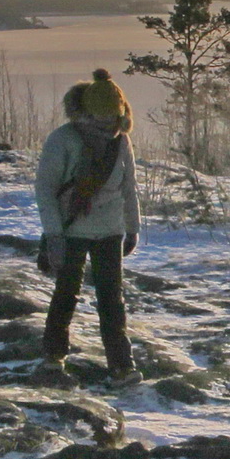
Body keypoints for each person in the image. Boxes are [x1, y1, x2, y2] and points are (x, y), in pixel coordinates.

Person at [35, 69, 141, 377]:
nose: (109, 126)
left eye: (113, 119)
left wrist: (132, 228)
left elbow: (128, 186)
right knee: (66, 294)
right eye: (102, 119)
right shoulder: (62, 140)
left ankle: (122, 366)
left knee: (112, 300)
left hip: (110, 231)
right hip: (71, 232)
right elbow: (45, 189)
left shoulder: (121, 141)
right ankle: (53, 357)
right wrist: (54, 234)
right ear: (87, 113)